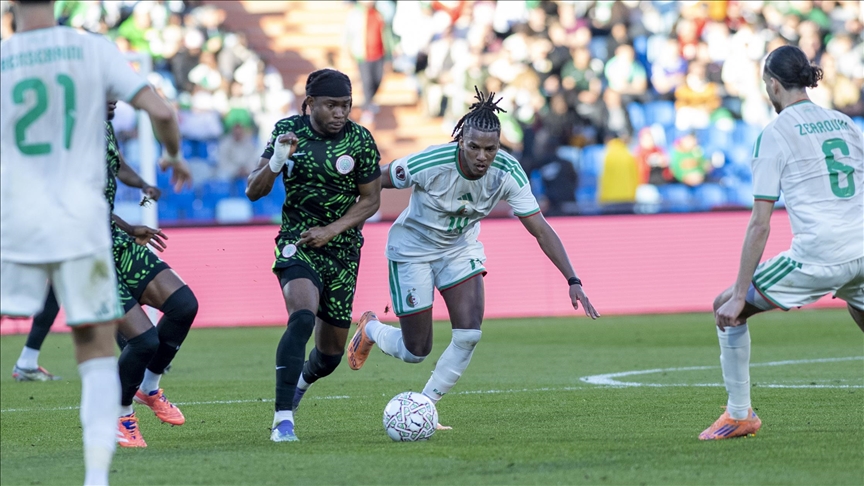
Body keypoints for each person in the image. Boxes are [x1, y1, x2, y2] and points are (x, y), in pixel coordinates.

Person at [0, 1, 182, 484]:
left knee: (134, 330)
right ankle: (96, 476)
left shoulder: (7, 61)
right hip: (80, 226)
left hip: (19, 220)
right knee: (96, 351)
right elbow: (161, 111)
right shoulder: (86, 53)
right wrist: (174, 155)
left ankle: (33, 362)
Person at [344, 88, 600, 428]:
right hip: (412, 250)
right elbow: (377, 179)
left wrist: (573, 279)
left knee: (468, 335)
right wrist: (342, 216)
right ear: (461, 140)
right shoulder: (432, 162)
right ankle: (372, 329)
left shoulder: (507, 172)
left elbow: (540, 228)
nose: (482, 156)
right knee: (415, 351)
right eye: (474, 147)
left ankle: (425, 407)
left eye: (490, 149)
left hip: (458, 249)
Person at [701, 45, 864, 441]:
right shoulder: (844, 123)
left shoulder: (774, 134)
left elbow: (760, 223)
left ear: (774, 85)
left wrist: (739, 294)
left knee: (726, 307)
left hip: (819, 255)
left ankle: (739, 414)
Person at [245, 68, 382, 442]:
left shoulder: (360, 140)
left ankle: (302, 382)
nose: (340, 113)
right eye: (331, 105)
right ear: (310, 104)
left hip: (342, 250)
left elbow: (371, 200)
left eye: (346, 105)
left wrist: (332, 230)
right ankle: (282, 420)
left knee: (330, 356)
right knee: (302, 317)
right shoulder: (289, 131)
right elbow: (253, 191)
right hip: (298, 241)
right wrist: (277, 160)